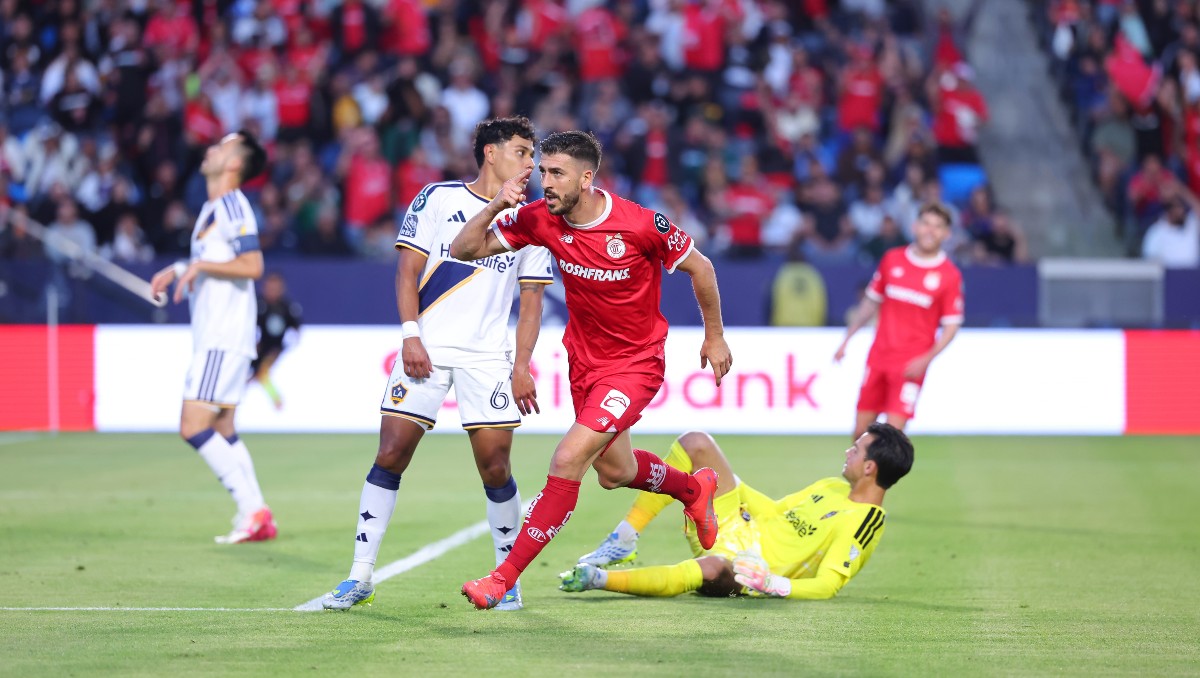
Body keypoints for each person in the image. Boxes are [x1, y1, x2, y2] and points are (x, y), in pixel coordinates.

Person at [450, 130, 733, 610]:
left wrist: (715, 335)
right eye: (542, 172)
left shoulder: (641, 224)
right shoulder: (539, 219)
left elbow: (701, 268)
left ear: (587, 177)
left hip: (635, 366)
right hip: (584, 363)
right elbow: (465, 249)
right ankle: (693, 487)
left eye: (556, 173)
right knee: (615, 471)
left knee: (567, 460)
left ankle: (502, 578)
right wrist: (496, 204)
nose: (546, 182)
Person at [320, 117, 553, 612]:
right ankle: (359, 575)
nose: (530, 163)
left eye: (533, 155)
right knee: (391, 452)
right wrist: (410, 335)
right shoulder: (437, 198)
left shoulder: (532, 219)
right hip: (427, 347)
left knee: (495, 467)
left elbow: (531, 301)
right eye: (520, 151)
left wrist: (522, 365)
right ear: (490, 153)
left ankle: (506, 577)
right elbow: (407, 270)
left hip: (488, 357)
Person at [560, 423, 913, 600]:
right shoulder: (832, 486)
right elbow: (774, 512)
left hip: (747, 570)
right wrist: (731, 484)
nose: (849, 450)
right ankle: (626, 536)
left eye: (857, 449)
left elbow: (829, 585)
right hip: (736, 525)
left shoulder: (866, 520)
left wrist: (773, 584)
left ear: (870, 468)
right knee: (697, 443)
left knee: (712, 568)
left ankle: (598, 579)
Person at [149, 130, 272, 544]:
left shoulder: (233, 205)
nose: (212, 149)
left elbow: (252, 265)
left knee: (192, 425)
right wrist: (184, 265)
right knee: (222, 426)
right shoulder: (211, 208)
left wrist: (199, 269)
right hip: (223, 335)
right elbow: (218, 258)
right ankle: (258, 514)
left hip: (223, 336)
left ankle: (251, 509)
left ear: (235, 163)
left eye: (223, 146)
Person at [834, 203, 964, 439]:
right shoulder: (892, 260)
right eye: (926, 223)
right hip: (879, 356)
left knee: (891, 438)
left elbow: (951, 327)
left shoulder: (949, 275)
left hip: (910, 365)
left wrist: (926, 359)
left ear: (947, 234)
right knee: (860, 433)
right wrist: (847, 338)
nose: (930, 231)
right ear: (915, 227)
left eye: (938, 227)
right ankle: (858, 477)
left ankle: (880, 477)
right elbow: (870, 302)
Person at [251, 272, 303, 409]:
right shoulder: (257, 304)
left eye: (276, 287)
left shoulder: (287, 308)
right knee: (251, 375)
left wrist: (284, 348)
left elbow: (296, 332)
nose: (272, 291)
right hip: (255, 348)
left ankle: (276, 400)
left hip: (274, 350)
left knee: (261, 373)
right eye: (269, 287)